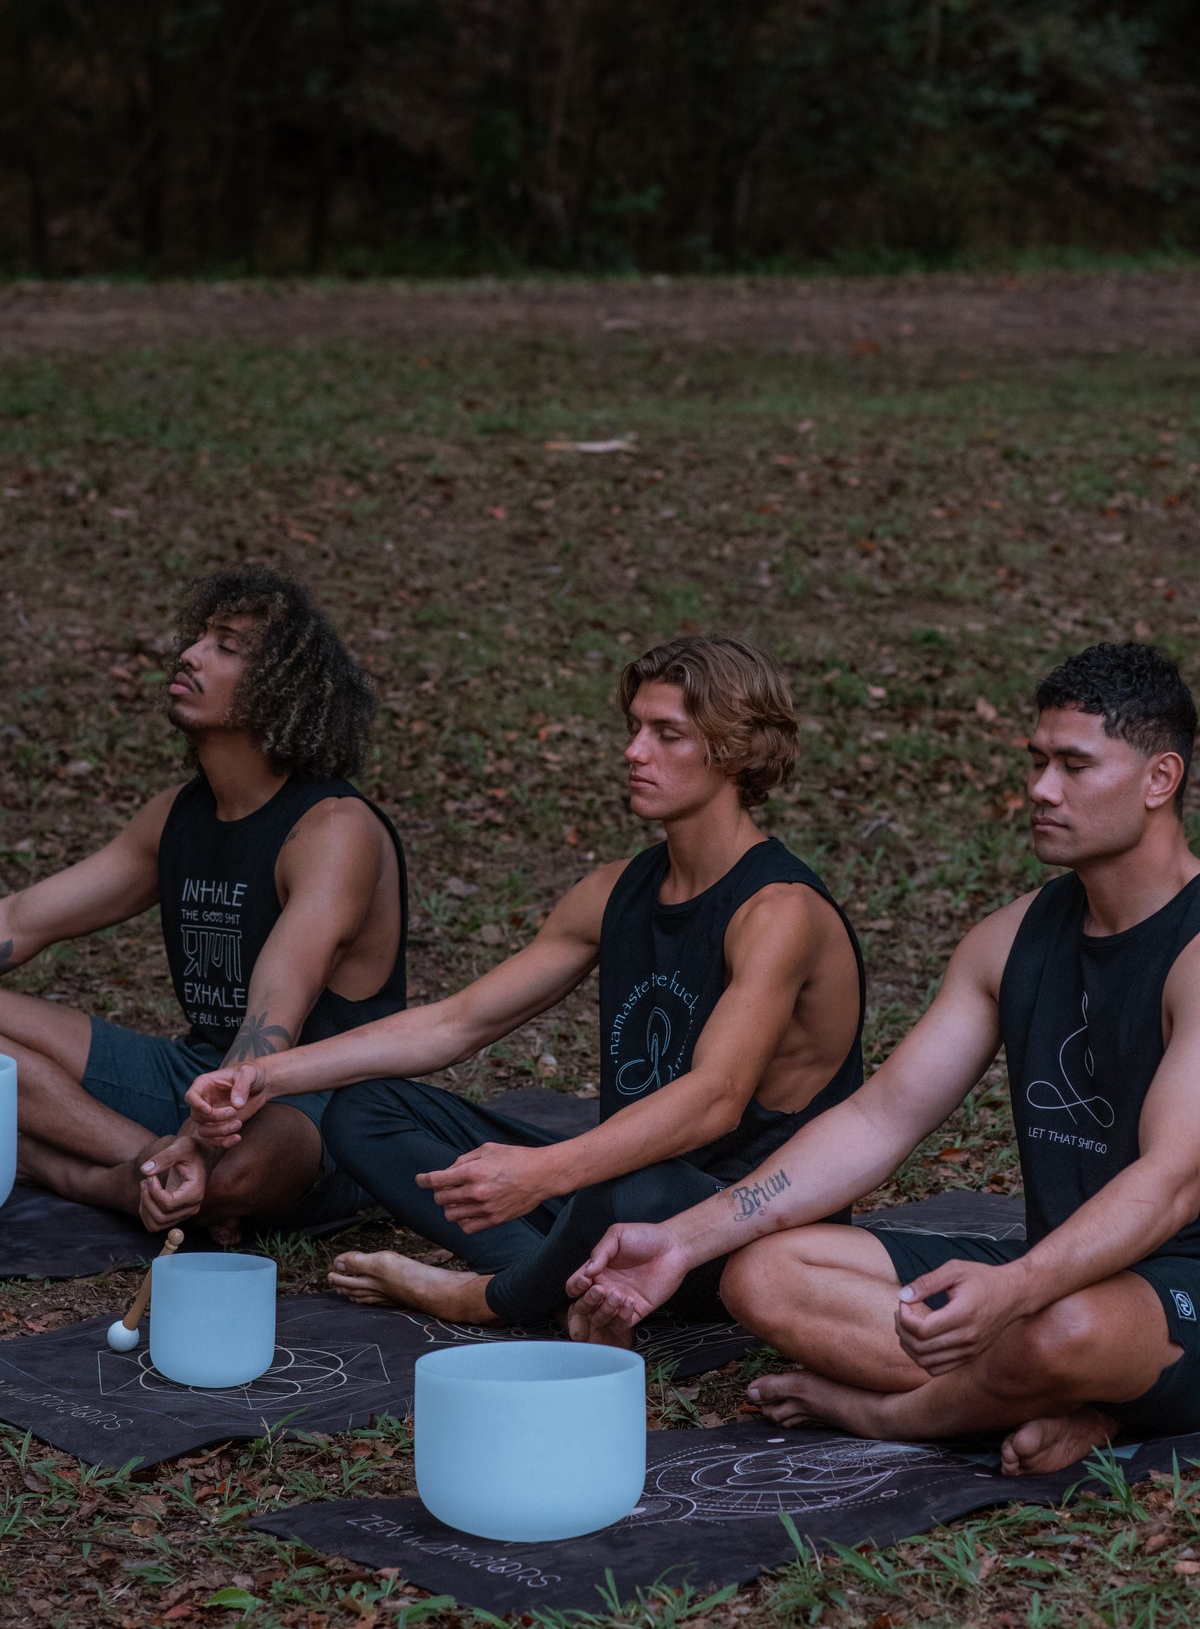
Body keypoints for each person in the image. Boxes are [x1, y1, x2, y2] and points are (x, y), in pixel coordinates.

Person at [567, 642, 1200, 1474]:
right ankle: (1058, 1398)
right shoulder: (1011, 939)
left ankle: (898, 1412)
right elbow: (877, 1117)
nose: (1041, 789)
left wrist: (1017, 1287)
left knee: (1065, 1329)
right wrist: (683, 1240)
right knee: (762, 1273)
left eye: (1075, 765)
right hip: (1059, 1276)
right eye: (1038, 760)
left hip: (1166, 1288)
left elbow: (1172, 1182)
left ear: (1160, 779)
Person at [187, 634, 865, 1325]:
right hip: (615, 1190)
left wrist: (545, 1172)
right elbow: (459, 1022)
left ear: (738, 752)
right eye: (634, 728)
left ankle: (484, 1296)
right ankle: (545, 1272)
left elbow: (715, 1099)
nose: (634, 752)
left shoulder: (777, 912)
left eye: (668, 735)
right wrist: (267, 1076)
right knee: (365, 1108)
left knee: (624, 1191)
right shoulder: (617, 892)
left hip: (738, 1228)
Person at [0, 565, 408, 1237]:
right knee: (195, 1169)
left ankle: (83, 1168)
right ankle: (140, 1166)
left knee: (231, 1178)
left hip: (316, 1099)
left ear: (283, 692)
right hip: (196, 1073)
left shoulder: (332, 830)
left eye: (226, 646)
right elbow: (22, 919)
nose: (189, 654)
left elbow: (271, 1016)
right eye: (199, 637)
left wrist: (204, 1135)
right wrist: (176, 1139)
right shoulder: (174, 817)